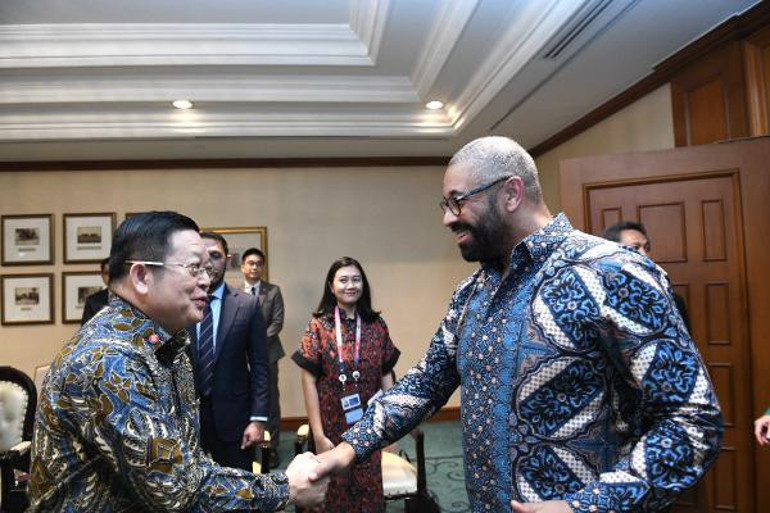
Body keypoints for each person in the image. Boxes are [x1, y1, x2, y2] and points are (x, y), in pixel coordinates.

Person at [310, 137, 723, 513]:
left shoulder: (612, 272)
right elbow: (425, 383)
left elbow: (692, 420)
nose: (448, 219)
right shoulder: (473, 292)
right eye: (445, 205)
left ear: (510, 193)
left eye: (458, 202)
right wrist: (349, 448)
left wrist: (588, 507)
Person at [28, 211, 327, 512]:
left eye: (208, 269)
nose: (207, 281)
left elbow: (189, 465)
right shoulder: (109, 359)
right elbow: (177, 492)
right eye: (194, 268)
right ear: (142, 276)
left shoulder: (168, 344)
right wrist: (286, 488)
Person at [292, 256, 400, 512]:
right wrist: (318, 435)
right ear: (331, 287)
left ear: (363, 284)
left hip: (370, 425)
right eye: (343, 280)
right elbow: (308, 381)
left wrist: (393, 427)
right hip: (332, 429)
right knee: (334, 495)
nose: (350, 285)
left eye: (356, 279)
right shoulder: (319, 326)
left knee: (370, 493)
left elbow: (387, 375)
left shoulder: (377, 325)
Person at [188, 232, 268, 471]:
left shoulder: (247, 305)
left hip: (235, 420)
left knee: (238, 495)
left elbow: (260, 366)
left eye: (215, 255)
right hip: (188, 421)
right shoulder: (179, 303)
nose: (208, 262)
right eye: (201, 256)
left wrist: (258, 419)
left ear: (228, 259)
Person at [602, 220, 691, 331]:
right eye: (635, 248)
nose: (645, 255)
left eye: (647, 248)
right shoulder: (600, 303)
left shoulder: (673, 301)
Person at [241, 247, 286, 465]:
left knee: (270, 401)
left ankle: (272, 447)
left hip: (268, 353)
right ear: (242, 267)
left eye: (258, 263)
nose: (254, 267)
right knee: (243, 398)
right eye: (250, 263)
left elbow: (277, 323)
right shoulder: (235, 293)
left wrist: (255, 342)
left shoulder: (273, 291)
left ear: (263, 267)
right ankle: (248, 444)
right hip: (240, 356)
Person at [80, 257, 110, 324]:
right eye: (107, 273)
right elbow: (86, 332)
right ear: (102, 275)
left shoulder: (134, 298)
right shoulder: (93, 301)